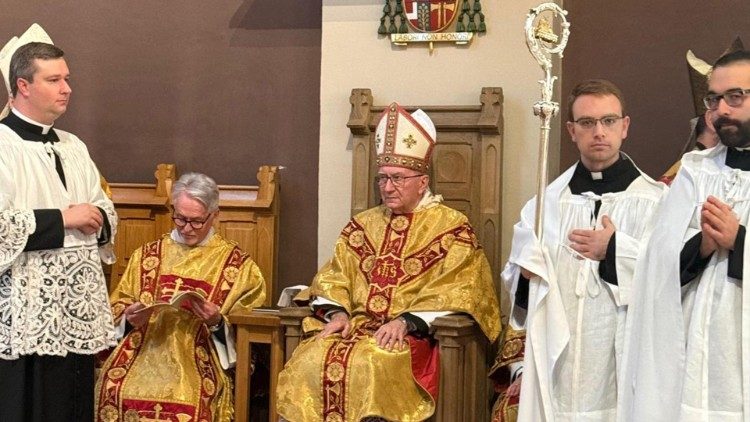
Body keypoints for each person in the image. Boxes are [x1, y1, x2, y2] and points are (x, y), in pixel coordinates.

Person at [276, 102, 501, 422]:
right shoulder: (362, 224)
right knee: (311, 357)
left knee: (372, 361)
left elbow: (465, 289)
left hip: (412, 337)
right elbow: (333, 276)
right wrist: (337, 312)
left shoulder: (452, 227)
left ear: (422, 180)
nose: (387, 187)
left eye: (397, 178)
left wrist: (406, 321)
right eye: (382, 178)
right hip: (354, 329)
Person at [502, 79, 666, 421]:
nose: (599, 132)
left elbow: (668, 278)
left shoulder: (656, 203)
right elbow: (516, 284)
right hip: (559, 364)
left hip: (621, 359)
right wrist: (526, 275)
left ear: (625, 127)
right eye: (587, 123)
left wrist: (615, 250)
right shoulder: (543, 207)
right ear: (571, 130)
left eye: (608, 121)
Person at [622, 49, 750, 421]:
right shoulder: (695, 171)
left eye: (735, 96)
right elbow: (656, 262)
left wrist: (738, 241)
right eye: (715, 98)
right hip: (695, 356)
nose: (722, 109)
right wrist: (704, 244)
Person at [0, 25, 118, 422]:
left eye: (67, 78)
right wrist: (65, 218)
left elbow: (104, 208)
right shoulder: (2, 146)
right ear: (23, 85)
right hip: (26, 311)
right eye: (54, 80)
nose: (67, 88)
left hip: (75, 304)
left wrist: (99, 218)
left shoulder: (73, 145)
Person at [95, 172, 266, 421]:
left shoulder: (238, 266)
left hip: (199, 357)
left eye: (196, 221)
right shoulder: (146, 256)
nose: (187, 228)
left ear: (214, 215)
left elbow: (250, 333)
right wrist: (128, 317)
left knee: (191, 400)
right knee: (115, 388)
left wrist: (217, 322)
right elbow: (117, 305)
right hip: (143, 351)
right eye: (180, 219)